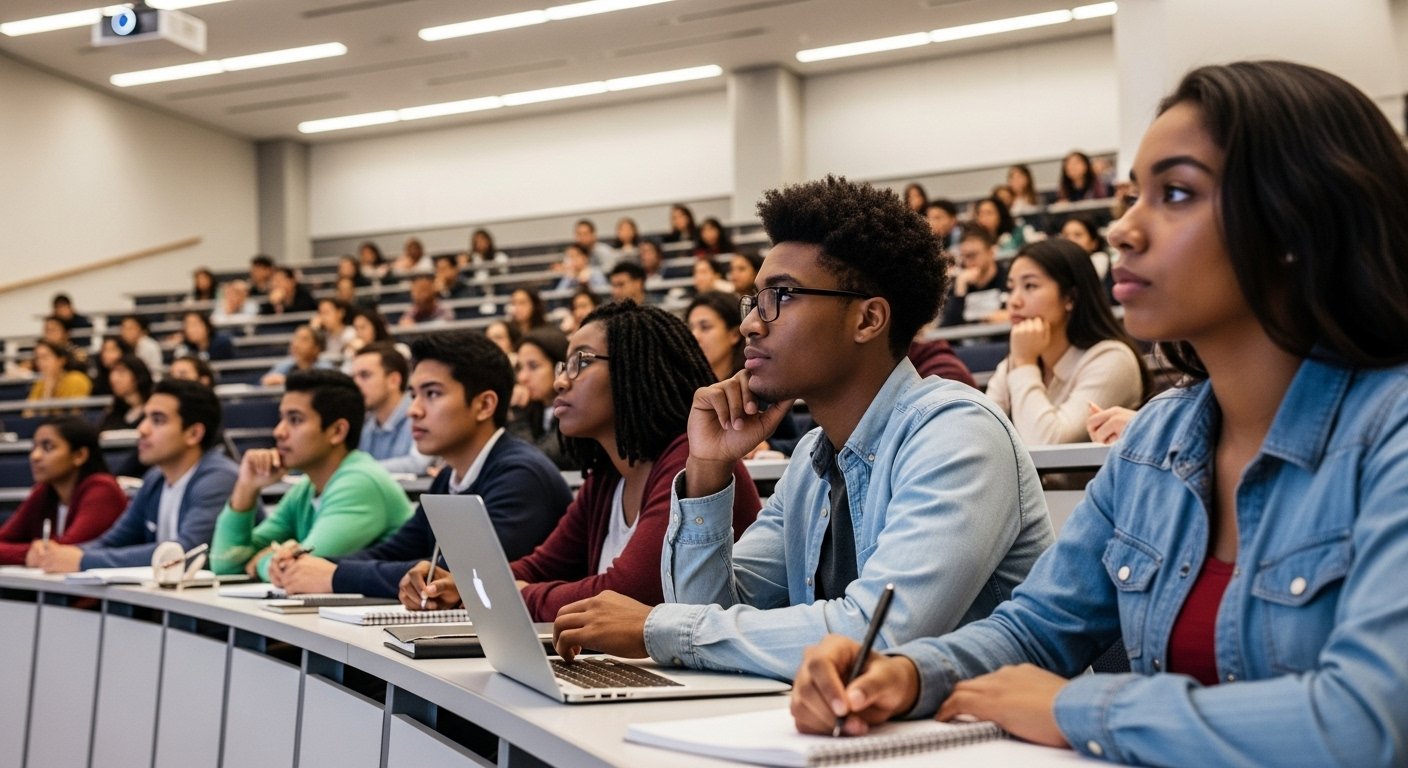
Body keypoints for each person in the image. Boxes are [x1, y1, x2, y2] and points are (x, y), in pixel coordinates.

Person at [790, 61, 1408, 766]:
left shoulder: (1391, 432)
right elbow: (1035, 629)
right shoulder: (1158, 441)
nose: (1123, 230)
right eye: (1132, 196)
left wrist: (1074, 708)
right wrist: (905, 674)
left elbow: (1368, 722)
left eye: (1176, 194)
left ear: (1296, 224)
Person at [550, 176, 1052, 680]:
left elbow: (876, 637)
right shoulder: (811, 462)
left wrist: (657, 627)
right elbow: (713, 614)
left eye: (782, 296)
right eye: (754, 300)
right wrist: (707, 467)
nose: (751, 323)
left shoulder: (956, 434)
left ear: (868, 320)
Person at [418, 301, 761, 621]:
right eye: (563, 366)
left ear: (633, 369)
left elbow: (628, 592)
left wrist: (513, 596)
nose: (560, 382)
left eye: (580, 362)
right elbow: (541, 567)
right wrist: (464, 584)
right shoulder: (608, 476)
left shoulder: (691, 460)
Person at [276, 332, 572, 598]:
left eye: (432, 394)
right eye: (413, 395)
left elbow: (457, 578)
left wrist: (336, 576)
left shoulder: (521, 476)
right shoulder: (448, 477)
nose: (414, 411)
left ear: (484, 405)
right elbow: (394, 552)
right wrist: (311, 565)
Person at [210, 370, 413, 582]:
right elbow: (225, 564)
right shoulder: (306, 488)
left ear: (337, 431)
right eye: (281, 419)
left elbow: (300, 570)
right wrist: (246, 487)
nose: (279, 431)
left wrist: (263, 560)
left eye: (295, 420)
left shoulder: (361, 483)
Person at [32, 379, 237, 572]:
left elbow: (188, 553)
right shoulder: (155, 478)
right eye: (145, 418)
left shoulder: (219, 478)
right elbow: (114, 541)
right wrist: (60, 554)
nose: (142, 429)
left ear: (193, 433)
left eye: (157, 420)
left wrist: (83, 560)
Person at [985, 239, 1148, 445]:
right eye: (1010, 288)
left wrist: (1025, 363)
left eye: (1030, 286)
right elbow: (980, 435)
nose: (1014, 301)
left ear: (1070, 297)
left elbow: (1047, 444)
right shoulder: (1018, 358)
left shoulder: (1112, 359)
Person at [0, 417, 126, 565]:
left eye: (48, 447)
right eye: (34, 447)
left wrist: (34, 553)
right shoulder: (44, 490)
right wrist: (31, 553)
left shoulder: (103, 490)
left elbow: (65, 552)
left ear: (79, 455)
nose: (35, 456)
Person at [351, 343, 432, 475]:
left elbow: (418, 464)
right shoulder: (366, 425)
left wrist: (358, 469)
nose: (356, 384)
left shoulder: (421, 414)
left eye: (365, 375)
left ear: (394, 380)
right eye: (353, 377)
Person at [506, 331, 576, 471]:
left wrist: (519, 416)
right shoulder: (534, 408)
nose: (522, 377)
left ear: (560, 367)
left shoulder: (576, 410)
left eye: (533, 366)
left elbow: (532, 460)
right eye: (520, 368)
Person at [938, 225, 1007, 327]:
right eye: (964, 257)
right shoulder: (959, 284)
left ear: (991, 253)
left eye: (973, 255)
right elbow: (946, 328)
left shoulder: (1007, 279)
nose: (967, 262)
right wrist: (960, 288)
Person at [686, 290, 744, 383]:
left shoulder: (750, 386)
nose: (694, 336)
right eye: (690, 328)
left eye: (705, 327)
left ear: (735, 334)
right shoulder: (686, 384)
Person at [260, 324, 332, 388]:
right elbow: (266, 381)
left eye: (304, 340)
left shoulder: (326, 369)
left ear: (317, 348)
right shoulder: (286, 364)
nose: (296, 344)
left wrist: (287, 381)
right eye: (296, 338)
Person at [98, 354, 153, 432]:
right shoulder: (113, 412)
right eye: (112, 372)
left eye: (121, 372)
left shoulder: (152, 411)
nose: (114, 378)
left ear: (138, 376)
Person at [26, 340, 92, 406]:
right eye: (37, 358)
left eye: (45, 357)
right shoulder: (40, 384)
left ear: (61, 360)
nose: (40, 363)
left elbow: (74, 411)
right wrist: (47, 392)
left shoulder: (77, 380)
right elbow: (28, 411)